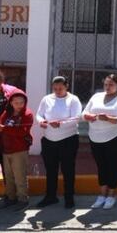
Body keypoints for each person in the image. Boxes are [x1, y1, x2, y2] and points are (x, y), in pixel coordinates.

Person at [83, 74, 117, 209]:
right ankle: (102, 195)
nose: (107, 87)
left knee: (112, 165)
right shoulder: (96, 96)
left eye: (111, 84)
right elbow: (84, 113)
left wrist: (110, 118)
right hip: (95, 137)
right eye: (106, 84)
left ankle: (111, 195)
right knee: (101, 166)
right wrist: (89, 116)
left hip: (113, 137)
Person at [36, 76, 82, 209]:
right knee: (51, 169)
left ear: (66, 86)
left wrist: (60, 124)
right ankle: (50, 196)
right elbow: (39, 114)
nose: (57, 91)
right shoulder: (47, 99)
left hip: (68, 139)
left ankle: (69, 197)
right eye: (55, 88)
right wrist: (41, 121)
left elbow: (76, 118)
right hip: (49, 139)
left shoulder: (73, 100)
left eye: (60, 88)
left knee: (68, 169)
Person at [0, 92, 33, 209]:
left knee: (20, 175)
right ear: (11, 103)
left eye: (21, 102)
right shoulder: (7, 113)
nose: (19, 105)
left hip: (19, 150)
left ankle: (23, 199)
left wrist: (4, 129)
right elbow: (0, 125)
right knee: (9, 176)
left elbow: (23, 132)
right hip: (6, 149)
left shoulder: (27, 114)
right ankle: (11, 197)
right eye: (16, 102)